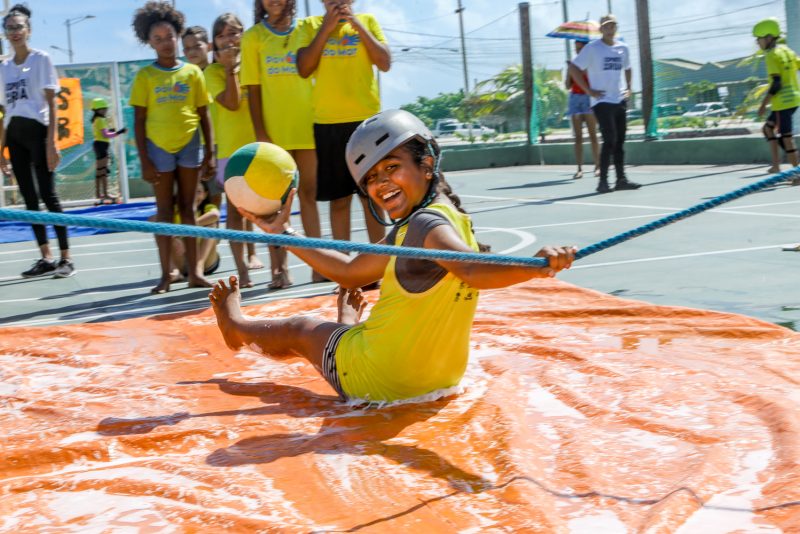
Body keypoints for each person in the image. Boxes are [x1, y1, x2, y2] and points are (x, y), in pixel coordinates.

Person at [209, 109, 577, 404]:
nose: (381, 183)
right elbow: (352, 273)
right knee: (350, 324)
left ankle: (236, 328)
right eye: (370, 177)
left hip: (381, 379)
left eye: (391, 167)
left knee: (301, 330)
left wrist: (536, 266)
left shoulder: (423, 226)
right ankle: (348, 328)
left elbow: (469, 269)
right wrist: (283, 233)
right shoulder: (446, 220)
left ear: (426, 165)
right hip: (441, 378)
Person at [130, 1, 215, 294]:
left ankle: (196, 273)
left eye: (169, 37)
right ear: (149, 42)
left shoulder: (192, 73)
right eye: (158, 39)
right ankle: (167, 275)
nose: (166, 44)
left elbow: (204, 115)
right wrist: (144, 159)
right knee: (165, 210)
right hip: (159, 148)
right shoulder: (145, 76)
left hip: (189, 145)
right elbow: (139, 121)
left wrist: (211, 153)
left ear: (177, 36)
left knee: (188, 209)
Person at [296, 0, 390, 257]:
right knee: (339, 200)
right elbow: (304, 68)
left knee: (372, 197)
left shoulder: (368, 21)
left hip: (366, 124)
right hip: (328, 125)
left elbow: (384, 62)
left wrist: (356, 24)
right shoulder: (309, 25)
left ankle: (379, 265)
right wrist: (326, 28)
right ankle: (344, 267)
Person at [242, 0, 324, 287]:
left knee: (309, 195)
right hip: (274, 135)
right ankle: (279, 270)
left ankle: (320, 265)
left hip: (307, 127)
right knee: (275, 205)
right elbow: (253, 91)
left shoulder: (308, 28)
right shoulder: (253, 37)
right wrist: (261, 134)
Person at [0, 5, 75, 278]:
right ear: (5, 33)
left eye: (19, 27)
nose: (15, 32)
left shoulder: (41, 59)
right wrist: (1, 150)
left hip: (38, 133)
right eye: (10, 28)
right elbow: (3, 111)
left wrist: (51, 142)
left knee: (48, 194)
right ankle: (46, 256)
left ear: (28, 30)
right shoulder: (4, 68)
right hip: (14, 135)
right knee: (29, 198)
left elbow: (52, 104)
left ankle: (66, 257)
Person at [569, 14, 641, 194]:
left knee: (620, 141)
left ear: (616, 28)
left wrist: (629, 88)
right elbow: (573, 68)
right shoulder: (593, 48)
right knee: (609, 139)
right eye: (607, 26)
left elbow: (628, 68)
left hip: (619, 99)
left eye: (613, 26)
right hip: (601, 101)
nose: (610, 29)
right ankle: (602, 182)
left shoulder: (623, 48)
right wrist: (588, 91)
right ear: (601, 29)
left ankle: (621, 179)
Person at [753, 18, 800, 176]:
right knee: (767, 129)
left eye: (758, 39)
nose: (757, 43)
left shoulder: (771, 55)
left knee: (786, 138)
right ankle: (776, 166)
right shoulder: (787, 50)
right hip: (794, 99)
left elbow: (776, 83)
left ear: (768, 37)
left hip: (783, 102)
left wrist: (762, 105)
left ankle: (797, 174)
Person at [149, 180, 220, 281]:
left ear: (205, 194)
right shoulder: (175, 210)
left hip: (207, 262)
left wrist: (187, 228)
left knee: (212, 225)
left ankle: (199, 267)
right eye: (191, 192)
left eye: (198, 192)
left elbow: (215, 215)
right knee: (159, 227)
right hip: (183, 261)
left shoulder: (206, 208)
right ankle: (173, 269)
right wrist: (173, 238)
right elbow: (152, 219)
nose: (194, 196)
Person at [565, 40, 600, 180]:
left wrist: (582, 70)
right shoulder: (573, 64)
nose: (578, 52)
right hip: (575, 99)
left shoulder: (592, 63)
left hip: (589, 98)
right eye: (576, 49)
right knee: (578, 137)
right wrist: (569, 71)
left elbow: (594, 82)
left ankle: (598, 166)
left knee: (593, 134)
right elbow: (567, 85)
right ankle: (579, 169)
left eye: (580, 49)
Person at [90, 97, 127, 205]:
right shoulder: (101, 119)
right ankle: (105, 194)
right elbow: (105, 134)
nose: (105, 110)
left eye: (105, 108)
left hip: (98, 144)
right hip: (102, 145)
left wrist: (111, 131)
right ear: (98, 110)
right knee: (103, 171)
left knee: (99, 171)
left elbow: (103, 132)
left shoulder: (96, 120)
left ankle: (98, 193)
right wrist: (120, 132)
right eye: (103, 108)